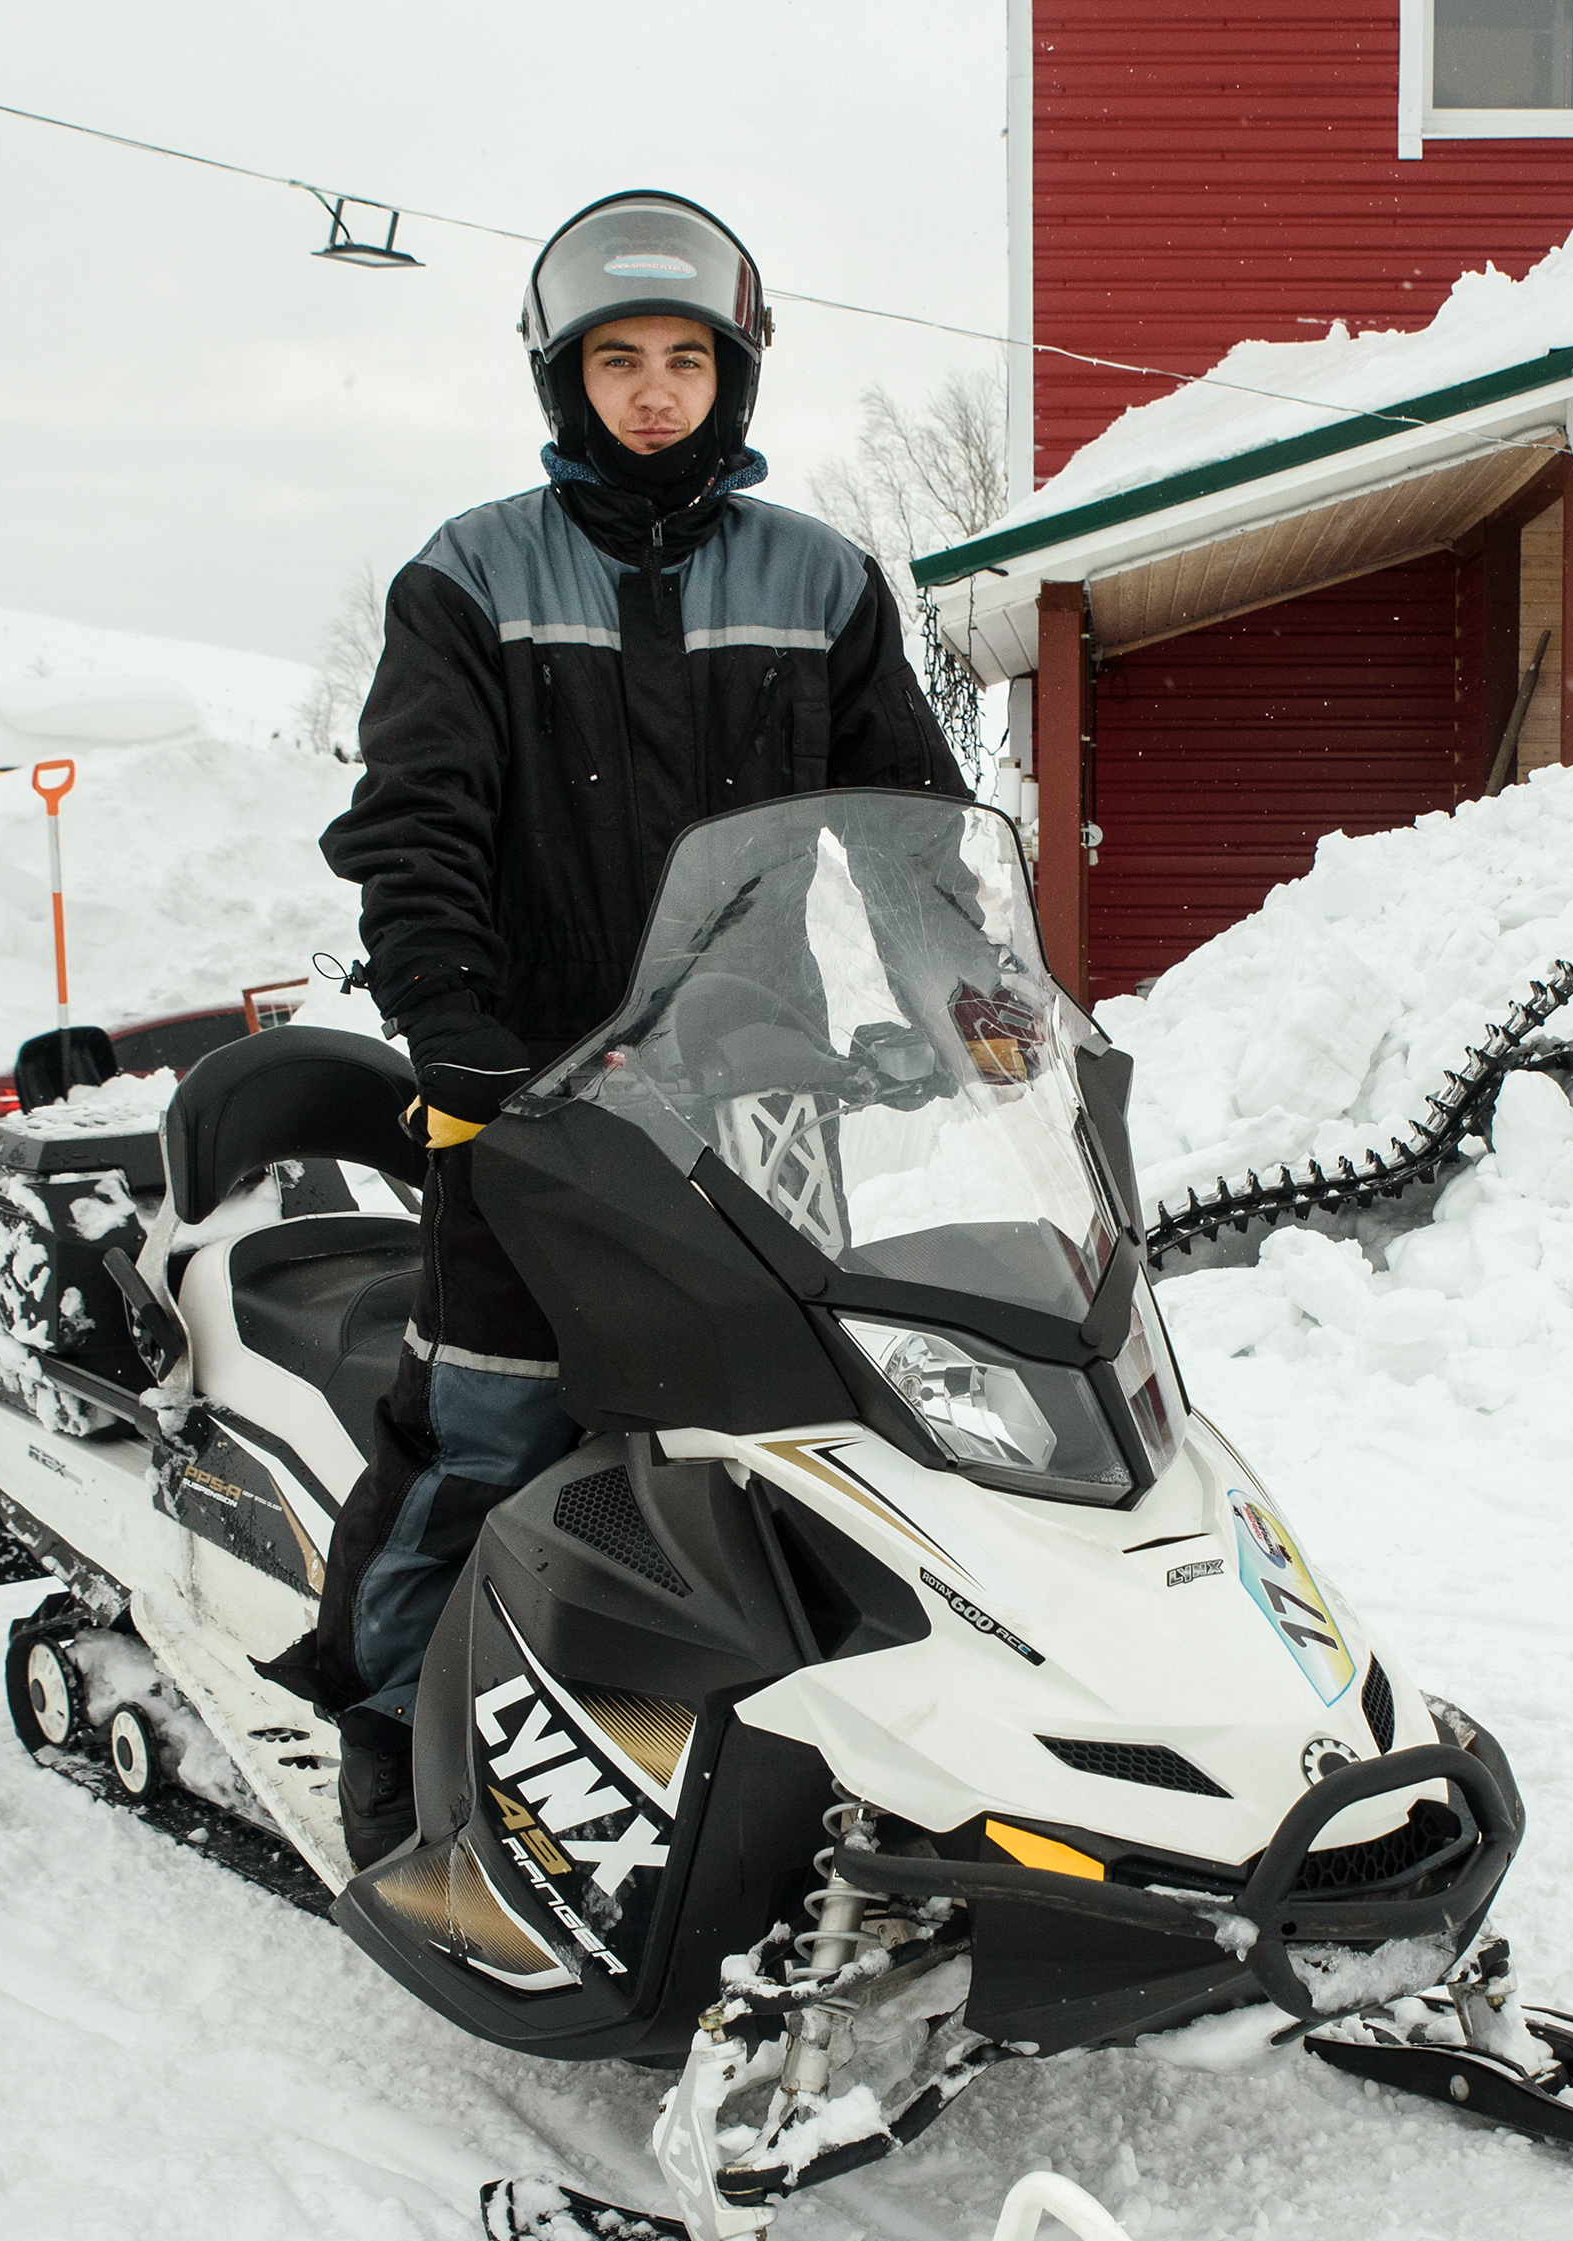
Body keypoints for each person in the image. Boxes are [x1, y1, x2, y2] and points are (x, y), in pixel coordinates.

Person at [305, 189, 966, 1867]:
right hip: (528, 1098)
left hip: (753, 1095)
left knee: (789, 1437)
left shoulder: (819, 579)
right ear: (563, 378)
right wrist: (450, 1025)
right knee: (488, 1428)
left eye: (688, 358)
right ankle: (390, 1734)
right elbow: (416, 825)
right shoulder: (472, 574)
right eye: (620, 360)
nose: (655, 390)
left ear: (734, 378)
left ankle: (796, 1742)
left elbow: (908, 827)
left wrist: (967, 1000)